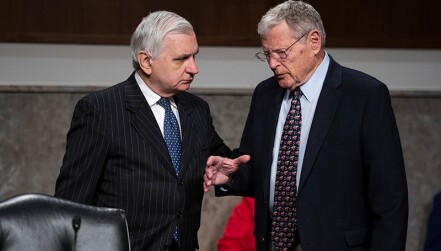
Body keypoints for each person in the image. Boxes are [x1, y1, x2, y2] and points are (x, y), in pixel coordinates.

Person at [203, 1, 408, 250]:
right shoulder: (265, 95)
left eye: (281, 52)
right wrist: (232, 176)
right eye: (267, 54)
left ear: (313, 41)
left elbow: (390, 199)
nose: (272, 63)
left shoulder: (365, 95)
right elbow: (260, 171)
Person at [54, 11, 232, 251]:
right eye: (182, 58)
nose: (194, 68)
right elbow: (71, 205)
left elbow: (223, 160)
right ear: (146, 61)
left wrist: (230, 169)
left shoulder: (197, 110)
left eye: (194, 56)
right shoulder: (100, 110)